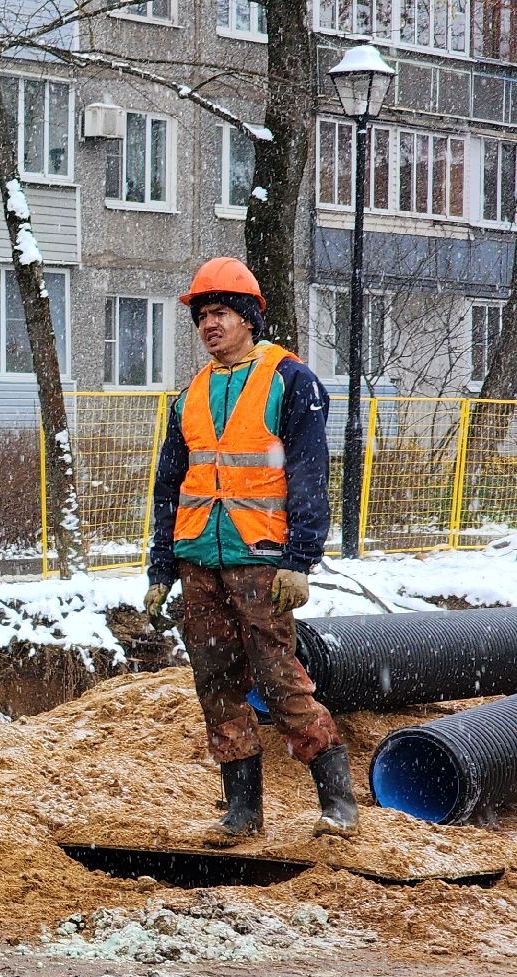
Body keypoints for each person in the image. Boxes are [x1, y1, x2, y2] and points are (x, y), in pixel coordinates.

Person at [145, 257, 359, 841]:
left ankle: (337, 803)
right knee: (215, 685)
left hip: (262, 560)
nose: (209, 325)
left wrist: (299, 559)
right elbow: (170, 485)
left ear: (248, 318)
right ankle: (243, 811)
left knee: (280, 678)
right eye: (202, 316)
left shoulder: (291, 381)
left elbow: (310, 474)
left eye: (220, 314)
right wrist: (160, 567)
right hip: (199, 561)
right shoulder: (190, 394)